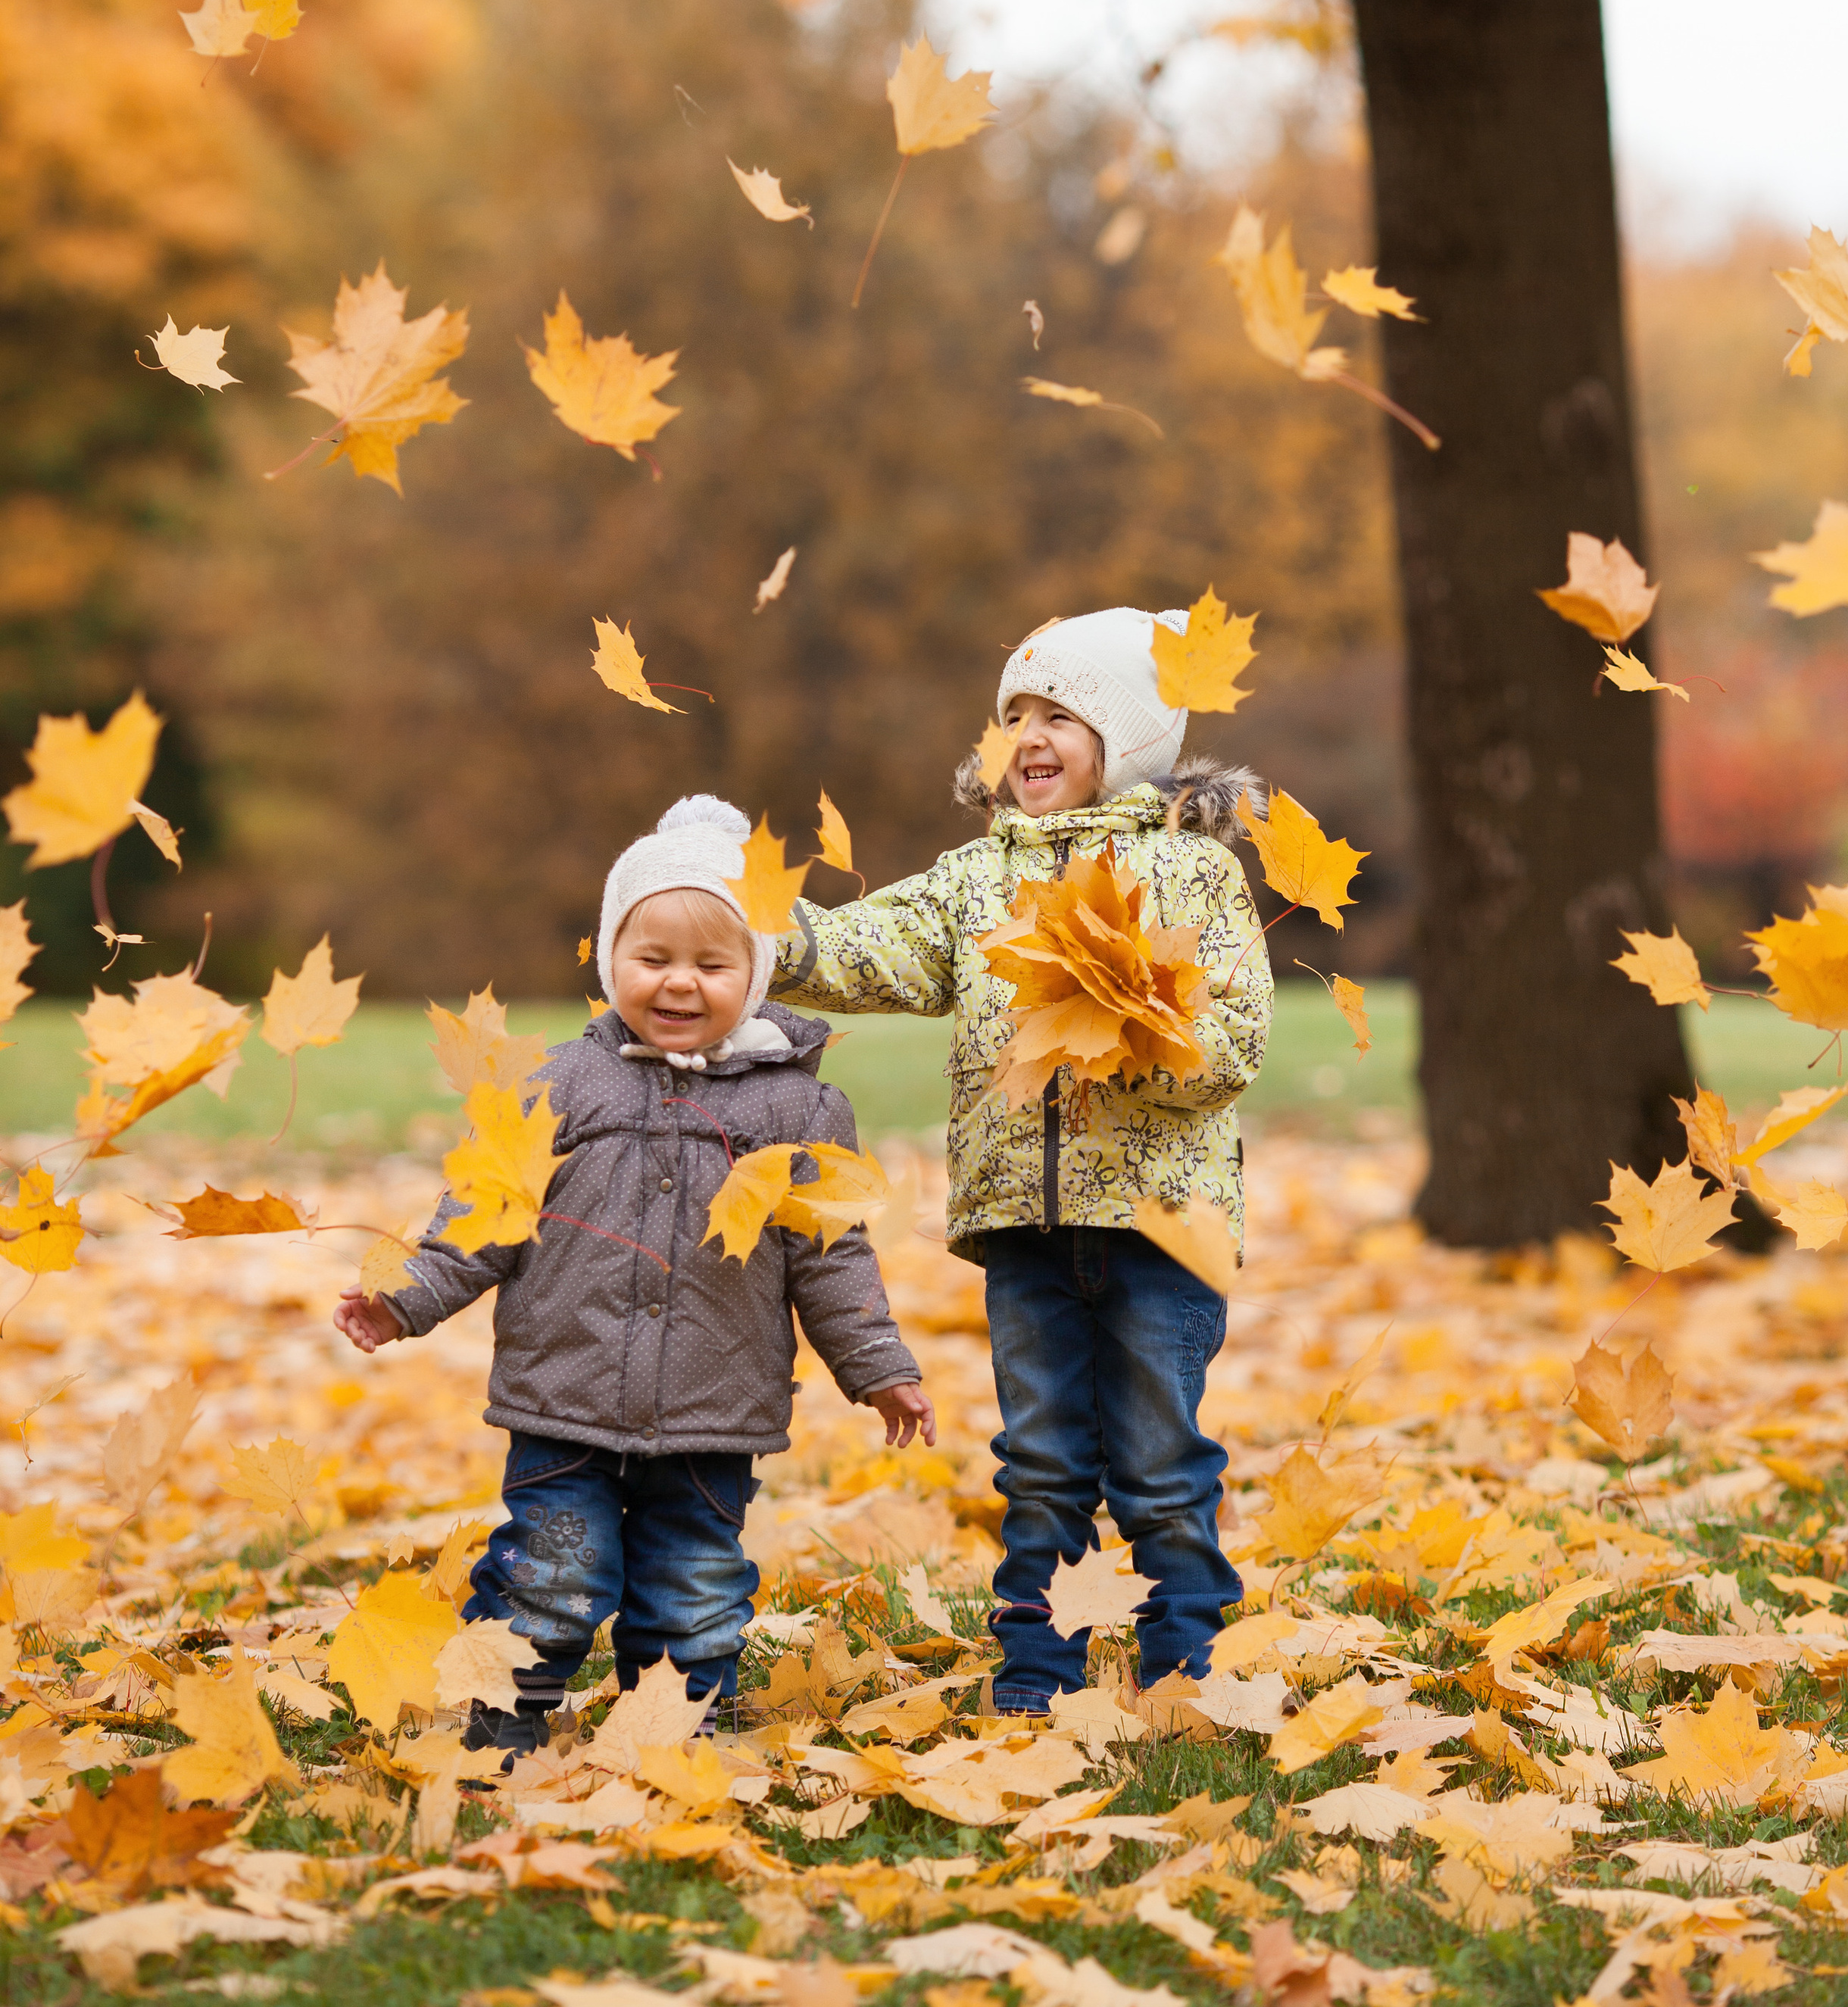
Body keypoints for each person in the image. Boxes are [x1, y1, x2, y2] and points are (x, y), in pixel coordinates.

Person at [333, 794, 932, 1759]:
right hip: (562, 1395)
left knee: (694, 1583)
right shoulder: (558, 1084)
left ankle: (680, 1728)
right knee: (552, 1575)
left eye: (712, 964)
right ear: (611, 953)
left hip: (713, 1403)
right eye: (652, 959)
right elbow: (482, 1216)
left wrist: (877, 1365)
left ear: (759, 971)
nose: (680, 984)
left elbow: (832, 1254)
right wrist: (405, 1298)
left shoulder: (798, 1106)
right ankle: (507, 1715)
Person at [773, 607, 1272, 1713]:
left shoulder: (1192, 876)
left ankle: (1182, 1661)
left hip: (1158, 1224)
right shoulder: (971, 883)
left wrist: (1131, 1033)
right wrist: (750, 933)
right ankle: (1036, 1670)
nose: (1027, 737)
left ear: (1128, 737)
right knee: (1041, 1460)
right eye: (1011, 717)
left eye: (1059, 715)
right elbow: (864, 949)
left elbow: (1233, 1044)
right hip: (1023, 1229)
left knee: (1156, 1456)